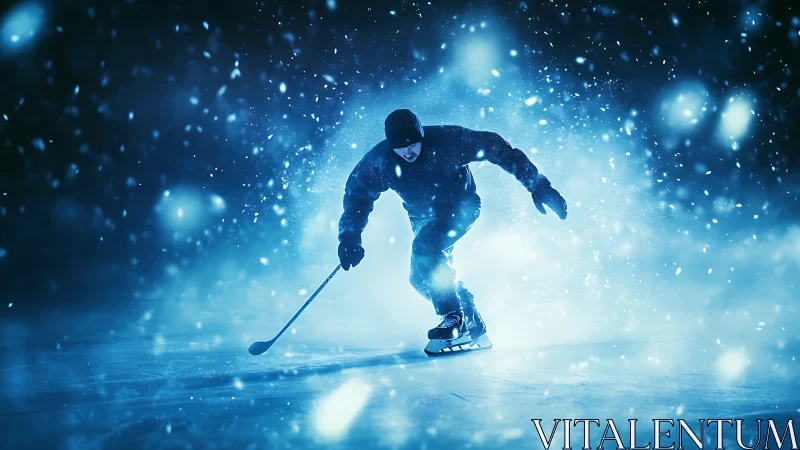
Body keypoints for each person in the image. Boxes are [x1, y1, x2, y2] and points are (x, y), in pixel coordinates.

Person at [337, 109, 567, 347]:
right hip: (423, 220)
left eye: (413, 144)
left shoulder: (448, 141)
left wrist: (538, 185)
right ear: (390, 145)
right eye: (400, 147)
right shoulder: (380, 161)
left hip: (461, 208)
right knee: (419, 279)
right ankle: (468, 315)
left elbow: (498, 148)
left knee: (425, 247)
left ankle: (454, 318)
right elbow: (357, 198)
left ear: (421, 136)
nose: (408, 152)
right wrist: (349, 238)